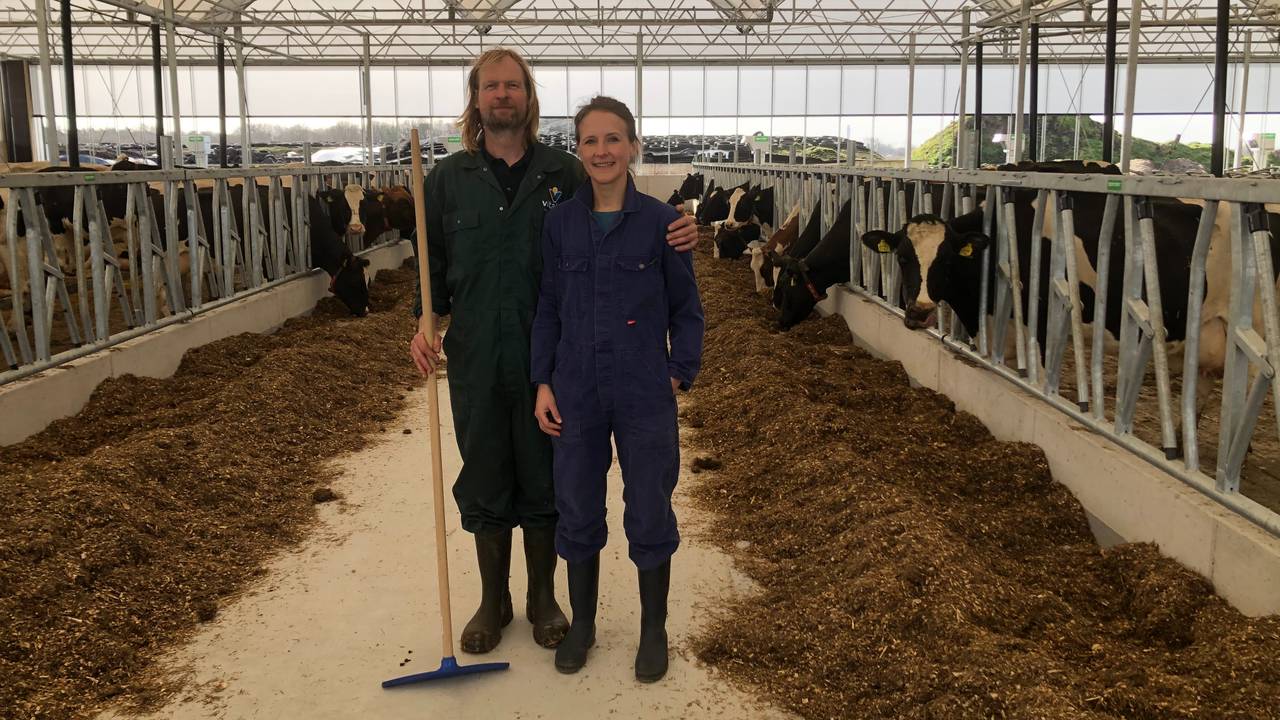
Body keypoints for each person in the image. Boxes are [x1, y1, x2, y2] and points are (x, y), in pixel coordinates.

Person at [408, 49, 699, 655]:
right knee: (485, 466)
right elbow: (432, 268)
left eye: (513, 85)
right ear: (477, 97)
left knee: (550, 476)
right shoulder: (447, 180)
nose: (503, 95)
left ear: (528, 96)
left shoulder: (563, 173)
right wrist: (425, 320)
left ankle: (545, 597)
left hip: (560, 359)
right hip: (481, 353)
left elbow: (618, 218)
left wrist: (683, 229)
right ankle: (495, 599)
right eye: (492, 86)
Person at [530, 96, 704, 683]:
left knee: (650, 506)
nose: (601, 151)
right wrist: (542, 382)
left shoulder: (663, 223)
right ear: (577, 151)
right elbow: (548, 308)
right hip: (575, 384)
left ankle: (653, 629)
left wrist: (681, 367)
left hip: (642, 386)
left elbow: (687, 307)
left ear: (633, 146)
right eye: (589, 141)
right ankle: (583, 624)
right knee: (576, 503)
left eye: (612, 139)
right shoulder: (560, 223)